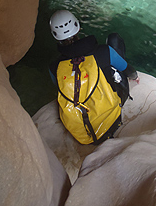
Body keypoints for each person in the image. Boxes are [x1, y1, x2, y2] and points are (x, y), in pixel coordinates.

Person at [49, 9, 139, 144]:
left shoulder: (54, 67)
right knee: (113, 40)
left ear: (55, 35)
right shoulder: (102, 51)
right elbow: (126, 69)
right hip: (112, 115)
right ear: (77, 27)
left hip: (82, 131)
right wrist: (134, 75)